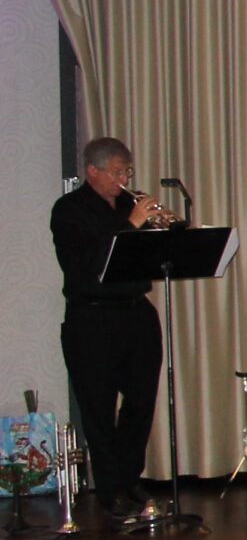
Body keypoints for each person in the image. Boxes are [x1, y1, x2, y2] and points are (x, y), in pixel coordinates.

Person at [51, 136, 180, 520]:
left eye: (127, 171)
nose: (124, 178)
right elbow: (88, 264)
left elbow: (155, 256)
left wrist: (165, 228)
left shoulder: (129, 204)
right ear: (92, 171)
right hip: (91, 318)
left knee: (140, 404)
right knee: (99, 409)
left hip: (136, 315)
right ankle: (110, 491)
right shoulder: (69, 210)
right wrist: (131, 224)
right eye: (117, 171)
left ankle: (129, 480)